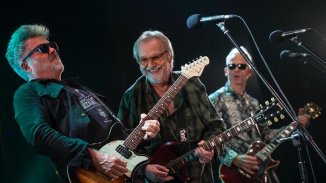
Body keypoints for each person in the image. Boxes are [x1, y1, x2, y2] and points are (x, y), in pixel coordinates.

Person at [5, 24, 161, 183]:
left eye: (52, 46)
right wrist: (93, 157)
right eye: (43, 49)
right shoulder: (27, 92)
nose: (53, 50)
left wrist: (142, 133)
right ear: (26, 66)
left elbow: (116, 140)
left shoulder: (78, 88)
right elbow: (39, 135)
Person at [117, 30, 225, 183]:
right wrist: (143, 170)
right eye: (144, 60)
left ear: (169, 55)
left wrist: (212, 151)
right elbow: (120, 149)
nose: (150, 65)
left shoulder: (192, 84)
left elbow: (216, 127)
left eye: (156, 57)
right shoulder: (132, 97)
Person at [209, 47, 311, 182]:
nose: (236, 69)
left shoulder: (254, 103)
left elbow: (266, 135)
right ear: (225, 71)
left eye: (242, 66)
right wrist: (234, 158)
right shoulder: (214, 99)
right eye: (232, 66)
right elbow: (209, 137)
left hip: (260, 170)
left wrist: (293, 126)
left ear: (250, 72)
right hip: (233, 173)